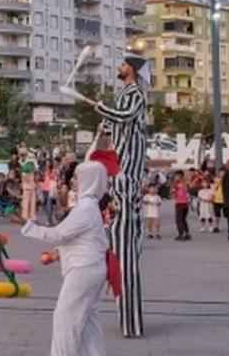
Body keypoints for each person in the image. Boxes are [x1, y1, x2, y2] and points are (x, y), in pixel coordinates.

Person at [78, 55, 148, 338]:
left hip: (127, 176)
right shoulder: (123, 95)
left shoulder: (135, 94)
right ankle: (126, 319)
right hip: (119, 175)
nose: (119, 67)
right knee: (116, 253)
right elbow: (113, 124)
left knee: (125, 256)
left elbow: (123, 115)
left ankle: (131, 323)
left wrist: (100, 106)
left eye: (123, 64)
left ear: (132, 69)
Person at [20, 161, 110, 356]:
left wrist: (27, 226)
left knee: (66, 320)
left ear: (88, 180)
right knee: (87, 321)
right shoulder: (89, 206)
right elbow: (81, 239)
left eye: (77, 177)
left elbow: (59, 234)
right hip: (90, 268)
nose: (73, 181)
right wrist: (57, 254)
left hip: (83, 270)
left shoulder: (85, 208)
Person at [171, 171, 190, 241]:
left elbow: (173, 194)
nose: (175, 177)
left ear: (180, 176)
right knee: (183, 219)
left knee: (179, 220)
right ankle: (187, 233)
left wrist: (173, 191)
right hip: (186, 204)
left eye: (176, 176)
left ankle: (181, 234)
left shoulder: (176, 184)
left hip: (179, 204)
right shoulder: (186, 183)